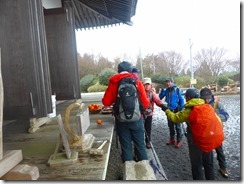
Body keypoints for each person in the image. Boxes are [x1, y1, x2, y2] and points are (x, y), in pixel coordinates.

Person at [161, 88, 215, 180]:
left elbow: (175, 118)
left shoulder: (189, 110)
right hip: (208, 139)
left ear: (188, 98)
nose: (185, 99)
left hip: (195, 140)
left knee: (196, 165)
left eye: (185, 97)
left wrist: (166, 110)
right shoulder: (207, 106)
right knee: (208, 163)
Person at [102, 61, 150, 162]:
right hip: (137, 119)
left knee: (126, 147)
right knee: (140, 146)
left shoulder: (114, 82)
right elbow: (145, 104)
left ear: (118, 70)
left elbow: (106, 102)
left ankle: (128, 173)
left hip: (121, 120)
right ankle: (145, 172)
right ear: (130, 70)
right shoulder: (136, 82)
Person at [200, 87, 229, 178]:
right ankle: (206, 166)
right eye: (203, 98)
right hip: (205, 133)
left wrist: (214, 117)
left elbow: (226, 116)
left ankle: (223, 167)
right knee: (205, 151)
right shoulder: (199, 105)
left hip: (216, 132)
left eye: (207, 98)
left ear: (211, 96)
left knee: (219, 150)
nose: (206, 100)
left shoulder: (217, 104)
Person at [159, 77, 185, 147]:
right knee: (170, 126)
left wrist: (181, 109)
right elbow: (160, 97)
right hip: (169, 110)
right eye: (167, 82)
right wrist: (162, 91)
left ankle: (179, 140)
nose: (168, 83)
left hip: (177, 110)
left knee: (178, 126)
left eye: (169, 82)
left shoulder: (177, 90)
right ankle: (172, 139)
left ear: (172, 82)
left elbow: (182, 99)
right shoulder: (166, 90)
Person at [142, 77, 164, 149]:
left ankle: (148, 141)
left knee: (148, 128)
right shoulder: (140, 93)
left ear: (151, 85)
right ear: (143, 85)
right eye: (145, 84)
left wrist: (164, 107)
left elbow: (157, 101)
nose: (147, 86)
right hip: (141, 114)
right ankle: (141, 143)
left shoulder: (152, 93)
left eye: (148, 84)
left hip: (149, 114)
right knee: (140, 129)